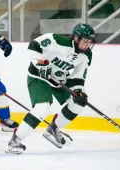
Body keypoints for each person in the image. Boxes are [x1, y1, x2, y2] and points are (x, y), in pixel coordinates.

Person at [6, 23, 96, 154]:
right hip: (39, 76)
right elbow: (34, 46)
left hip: (59, 80)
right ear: (76, 38)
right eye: (84, 41)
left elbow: (77, 77)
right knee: (42, 108)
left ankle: (53, 129)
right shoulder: (58, 41)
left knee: (78, 104)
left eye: (89, 42)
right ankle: (15, 140)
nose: (86, 45)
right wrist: (41, 63)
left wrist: (78, 91)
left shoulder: (87, 55)